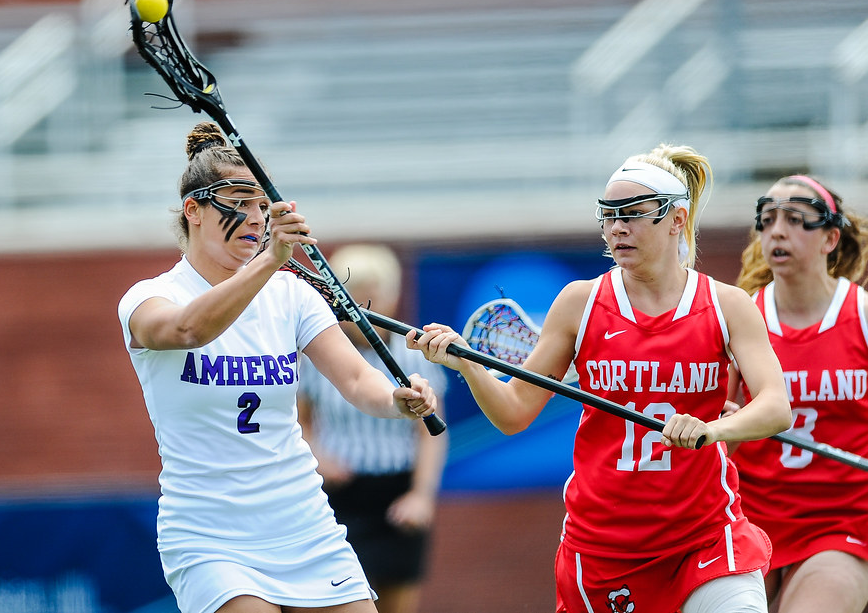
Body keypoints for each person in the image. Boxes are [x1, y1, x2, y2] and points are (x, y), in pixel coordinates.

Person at [407, 144, 793, 613]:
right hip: (606, 550)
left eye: (633, 215)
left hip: (706, 537)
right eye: (608, 216)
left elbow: (775, 406)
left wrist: (713, 429)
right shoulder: (580, 303)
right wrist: (466, 364)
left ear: (677, 219)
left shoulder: (726, 304)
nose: (617, 228)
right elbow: (513, 413)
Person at [116, 121, 438, 613]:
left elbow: (355, 378)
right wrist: (270, 261)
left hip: (301, 521)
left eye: (262, 204)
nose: (254, 216)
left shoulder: (291, 295)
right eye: (239, 200)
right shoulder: (149, 298)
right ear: (193, 210)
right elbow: (187, 331)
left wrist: (398, 399)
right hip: (210, 535)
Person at [728, 175, 868, 613]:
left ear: (830, 238)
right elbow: (715, 419)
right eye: (767, 220)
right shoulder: (741, 316)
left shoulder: (861, 315)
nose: (777, 231)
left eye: (794, 219)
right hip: (746, 523)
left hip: (841, 523)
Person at [297, 244, 448, 613]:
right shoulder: (316, 355)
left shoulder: (414, 354)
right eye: (353, 298)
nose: (363, 308)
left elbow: (432, 434)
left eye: (373, 295)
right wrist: (319, 456)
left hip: (396, 495)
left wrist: (421, 496)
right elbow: (299, 423)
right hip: (339, 495)